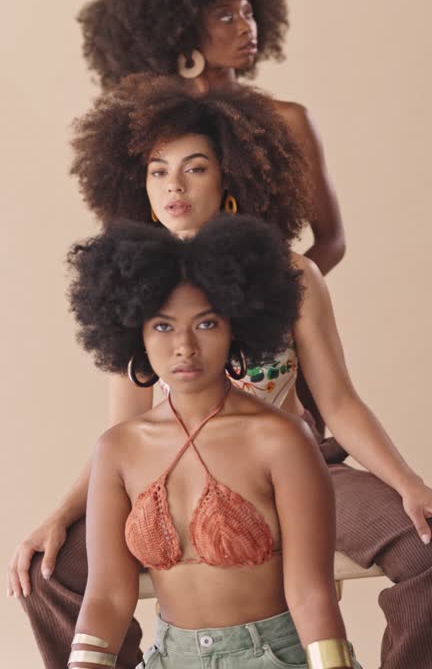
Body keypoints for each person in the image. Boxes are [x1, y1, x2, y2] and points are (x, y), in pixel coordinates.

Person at [9, 82, 432, 668]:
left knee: (426, 545)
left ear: (229, 177)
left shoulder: (293, 275)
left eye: (194, 168)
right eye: (158, 172)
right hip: (171, 477)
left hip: (296, 463)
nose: (174, 186)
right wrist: (59, 515)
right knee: (45, 568)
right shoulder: (136, 282)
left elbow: (338, 402)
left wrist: (409, 482)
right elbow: (123, 439)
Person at [66, 213, 359, 669]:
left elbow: (310, 592)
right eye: (163, 326)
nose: (184, 346)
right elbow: (107, 595)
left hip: (276, 657)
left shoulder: (280, 439)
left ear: (236, 329)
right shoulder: (117, 450)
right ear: (135, 334)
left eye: (205, 324)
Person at [78, 0, 345, 277]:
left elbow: (332, 241)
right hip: (174, 319)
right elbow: (128, 240)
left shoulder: (287, 121)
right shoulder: (144, 128)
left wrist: (272, 298)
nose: (246, 27)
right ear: (181, 31)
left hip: (263, 316)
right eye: (226, 16)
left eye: (248, 13)